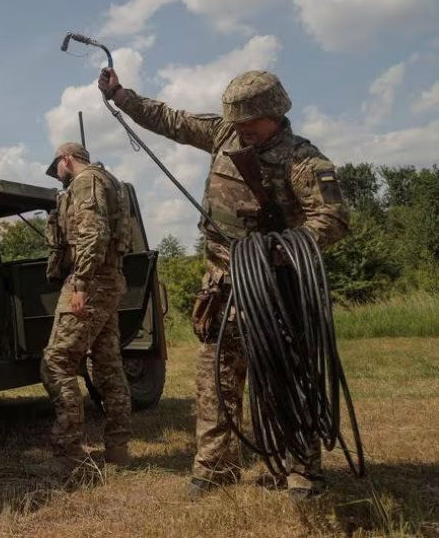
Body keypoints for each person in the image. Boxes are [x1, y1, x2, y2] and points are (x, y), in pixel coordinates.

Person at [97, 68, 349, 500]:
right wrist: (121, 95)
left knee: (287, 380)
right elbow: (170, 120)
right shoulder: (222, 136)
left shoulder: (304, 160)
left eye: (250, 124)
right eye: (237, 124)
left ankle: (299, 470)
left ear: (274, 114)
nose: (242, 132)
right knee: (215, 382)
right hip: (224, 289)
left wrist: (279, 248)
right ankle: (215, 467)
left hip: (278, 292)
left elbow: (333, 219)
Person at [41, 142, 133, 468]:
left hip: (91, 282)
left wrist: (79, 283)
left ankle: (67, 455)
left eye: (58, 169)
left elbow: (93, 232)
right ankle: (118, 451)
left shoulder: (86, 181)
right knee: (108, 365)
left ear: (67, 159)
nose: (58, 176)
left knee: (56, 363)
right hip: (108, 280)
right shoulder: (111, 182)